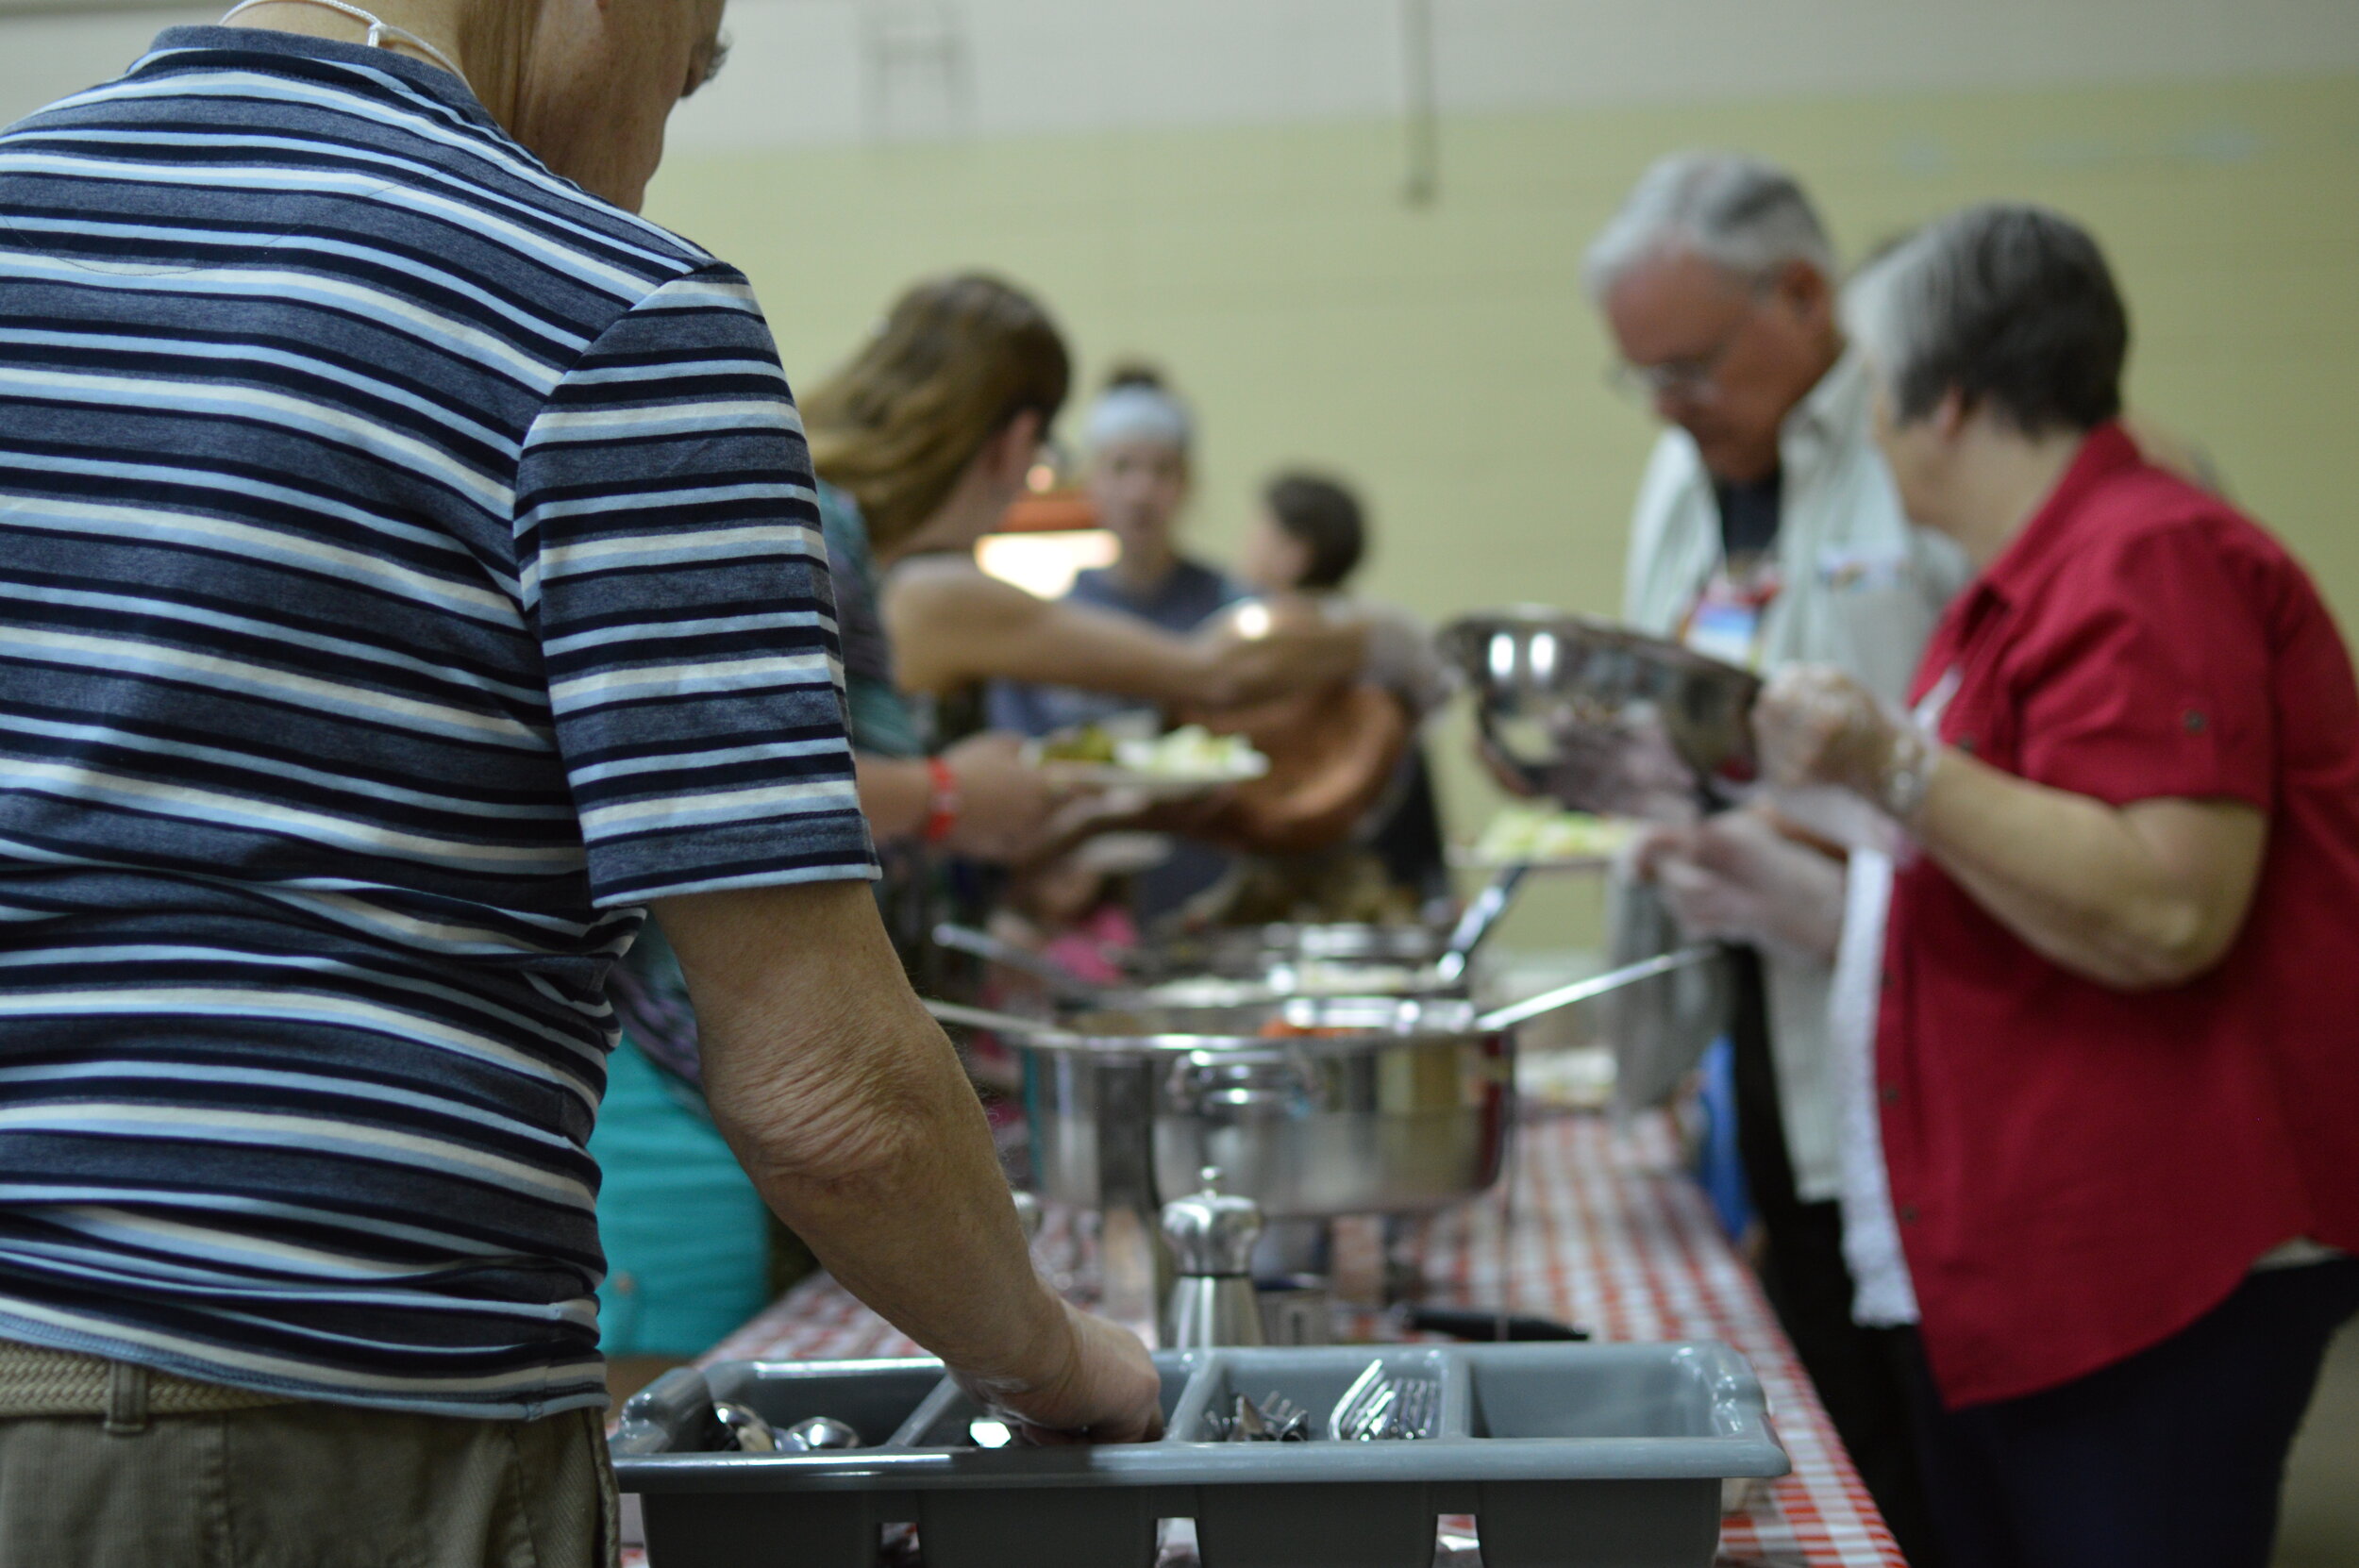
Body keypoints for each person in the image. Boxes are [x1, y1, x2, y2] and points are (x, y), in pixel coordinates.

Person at [0, 6, 1160, 1563]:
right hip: (314, 1420)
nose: (655, 147)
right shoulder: (604, 310)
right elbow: (825, 1094)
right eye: (683, 70)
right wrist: (1060, 1355)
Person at [1755, 203, 2359, 1567]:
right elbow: (2014, 891)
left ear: (1946, 399)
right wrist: (1792, 880)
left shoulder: (2144, 558)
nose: (1865, 428)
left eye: (1870, 387)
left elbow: (2162, 907)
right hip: (2048, 1259)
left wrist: (1883, 758)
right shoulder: (2026, 586)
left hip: (2146, 1265)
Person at [1580, 151, 1965, 1559]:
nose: (1674, 407)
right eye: (1646, 380)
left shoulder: (1918, 444)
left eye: (1690, 365)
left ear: (1804, 295)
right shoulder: (1682, 470)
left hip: (1932, 1000)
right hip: (1760, 986)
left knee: (1945, 1415)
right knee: (1839, 1376)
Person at [1230, 471, 1453, 918]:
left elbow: (1438, 685)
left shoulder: (1357, 633)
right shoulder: (1388, 629)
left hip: (1349, 845)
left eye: (1262, 530)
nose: (1249, 542)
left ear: (1295, 553)